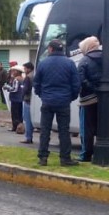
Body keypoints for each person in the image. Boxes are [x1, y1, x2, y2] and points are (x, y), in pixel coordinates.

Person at [34, 39, 80, 167]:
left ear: (50, 49)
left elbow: (36, 83)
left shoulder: (43, 64)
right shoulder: (70, 63)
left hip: (47, 101)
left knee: (45, 130)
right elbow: (76, 85)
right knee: (64, 131)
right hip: (63, 101)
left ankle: (43, 157)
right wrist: (70, 97)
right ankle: (65, 158)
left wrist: (42, 95)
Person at [77, 36, 109, 162]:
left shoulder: (84, 61)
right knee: (103, 128)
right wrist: (108, 89)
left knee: (86, 129)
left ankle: (86, 154)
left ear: (87, 48)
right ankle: (103, 153)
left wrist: (93, 88)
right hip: (106, 101)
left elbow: (80, 79)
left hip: (88, 100)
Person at [4, 66, 24, 132]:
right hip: (21, 98)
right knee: (19, 113)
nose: (12, 72)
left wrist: (7, 88)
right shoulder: (22, 79)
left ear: (17, 72)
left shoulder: (16, 79)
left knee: (15, 114)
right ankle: (20, 126)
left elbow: (14, 89)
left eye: (14, 71)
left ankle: (15, 127)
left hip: (15, 98)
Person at [19, 62, 35, 144]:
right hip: (33, 100)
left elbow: (25, 90)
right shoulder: (34, 75)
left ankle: (28, 137)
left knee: (27, 120)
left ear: (29, 68)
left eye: (25, 68)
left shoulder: (28, 77)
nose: (24, 70)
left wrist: (22, 96)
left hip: (27, 100)